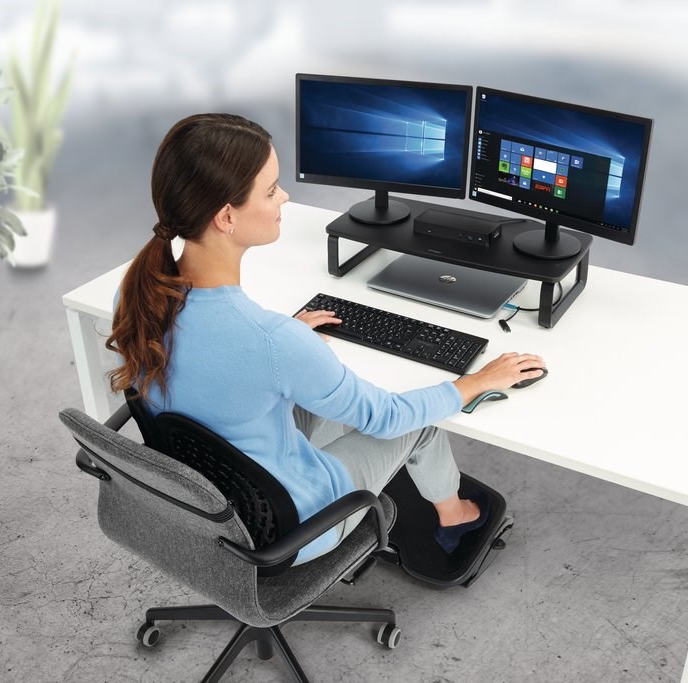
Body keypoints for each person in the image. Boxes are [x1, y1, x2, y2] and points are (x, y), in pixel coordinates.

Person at [106, 113, 545, 563]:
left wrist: (283, 339)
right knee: (420, 421)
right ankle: (455, 518)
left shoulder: (137, 293)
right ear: (226, 217)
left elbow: (218, 357)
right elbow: (387, 418)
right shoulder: (271, 341)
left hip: (210, 498)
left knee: (341, 404)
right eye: (272, 189)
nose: (285, 196)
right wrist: (479, 380)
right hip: (287, 526)